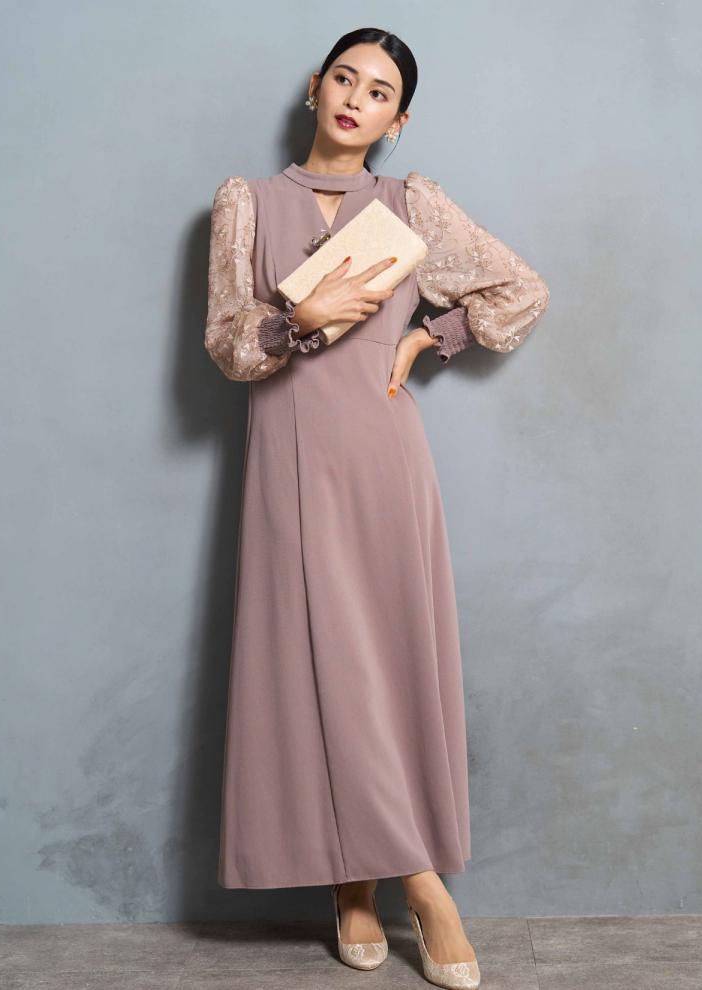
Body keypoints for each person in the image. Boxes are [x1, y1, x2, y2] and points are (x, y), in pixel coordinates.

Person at [205, 26, 549, 990]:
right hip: (287, 456)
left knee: (384, 664)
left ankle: (379, 884)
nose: (357, 98)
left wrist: (428, 338)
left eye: (381, 91)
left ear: (398, 120)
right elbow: (229, 346)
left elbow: (521, 291)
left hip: (384, 455)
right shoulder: (246, 202)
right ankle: (396, 885)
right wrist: (297, 320)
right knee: (317, 664)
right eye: (346, 79)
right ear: (316, 87)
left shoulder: (410, 204)